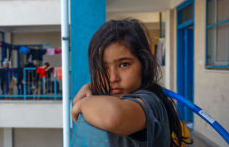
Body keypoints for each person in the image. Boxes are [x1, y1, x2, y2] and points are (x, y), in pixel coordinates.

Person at [71, 18, 190, 147]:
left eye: (124, 64)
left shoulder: (150, 101)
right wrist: (91, 86)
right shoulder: (116, 94)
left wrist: (82, 104)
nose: (112, 78)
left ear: (144, 64)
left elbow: (114, 117)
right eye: (103, 69)